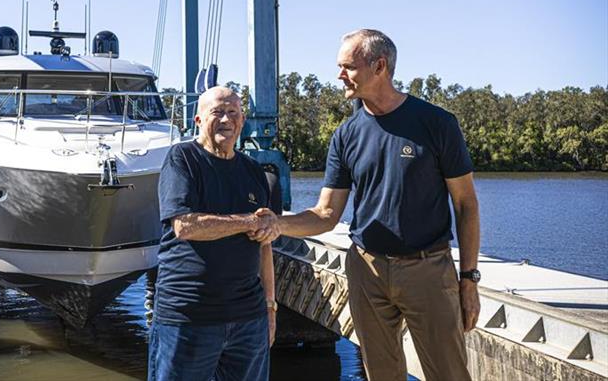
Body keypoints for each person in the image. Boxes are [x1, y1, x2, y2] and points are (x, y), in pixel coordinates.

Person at [253, 29, 481, 381]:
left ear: (379, 66)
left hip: (427, 270)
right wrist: (278, 224)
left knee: (449, 374)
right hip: (366, 269)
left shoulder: (436, 124)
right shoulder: (346, 134)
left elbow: (466, 204)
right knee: (380, 374)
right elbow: (326, 214)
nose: (339, 75)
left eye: (348, 66)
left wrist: (468, 279)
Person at [148, 86, 279, 381]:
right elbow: (185, 226)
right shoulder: (182, 159)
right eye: (217, 112)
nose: (226, 120)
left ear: (243, 121)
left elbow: (265, 245)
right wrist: (248, 221)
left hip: (248, 318)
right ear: (197, 119)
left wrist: (270, 306)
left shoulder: (255, 172)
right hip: (189, 316)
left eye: (233, 113)